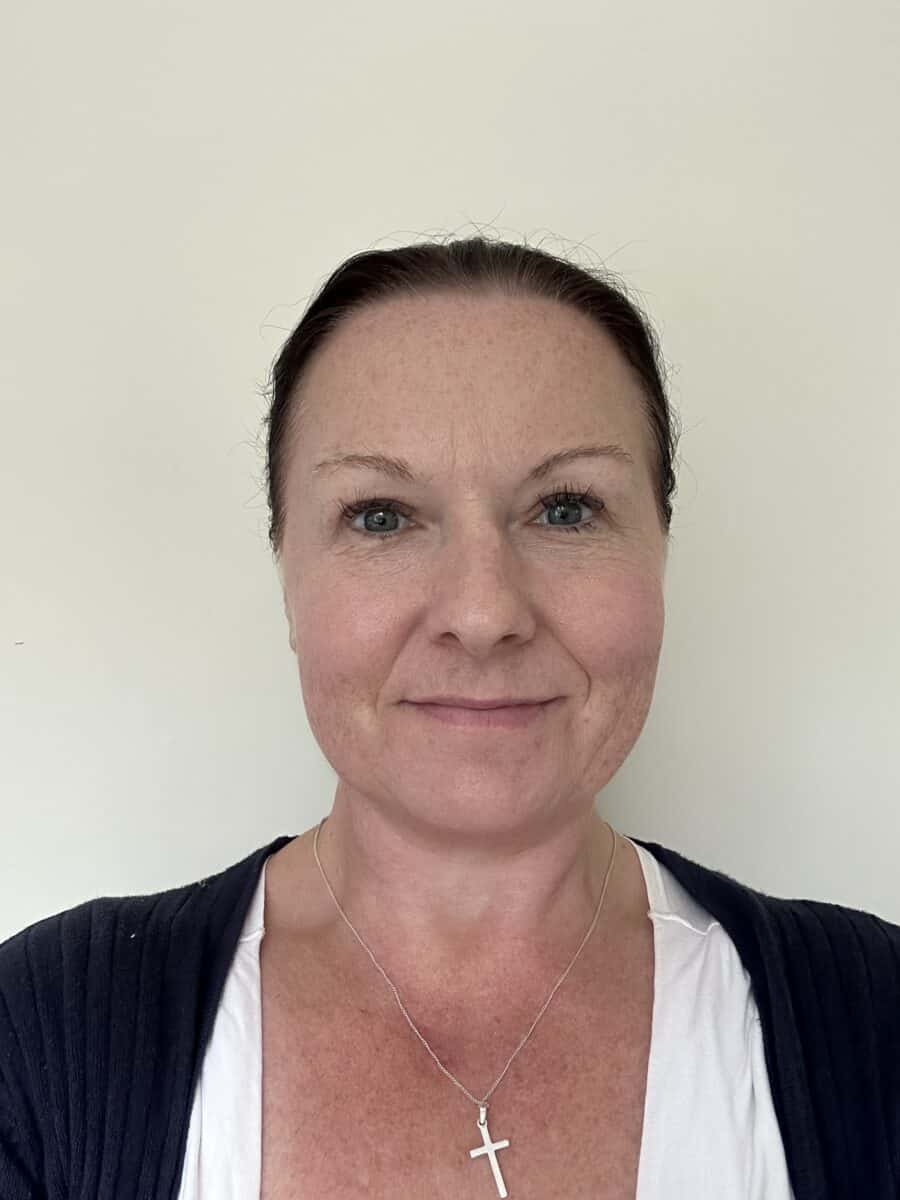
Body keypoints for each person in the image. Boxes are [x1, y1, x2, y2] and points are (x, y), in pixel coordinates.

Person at [1, 237, 898, 1200]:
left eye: (566, 509)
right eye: (381, 516)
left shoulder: (874, 1022)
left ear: (662, 552)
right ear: (287, 573)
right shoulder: (40, 1037)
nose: (482, 614)